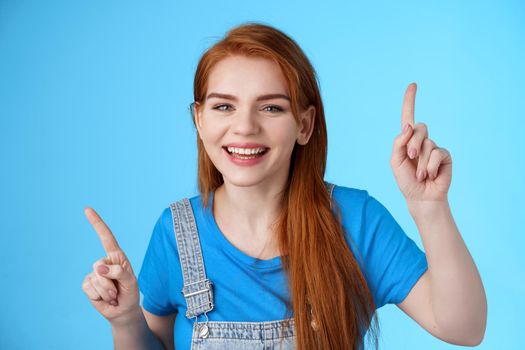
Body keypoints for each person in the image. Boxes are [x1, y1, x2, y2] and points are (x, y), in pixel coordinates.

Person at [81, 22, 487, 350]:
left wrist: (429, 207)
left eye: (271, 107)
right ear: (200, 121)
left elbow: (464, 328)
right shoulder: (176, 233)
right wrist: (126, 320)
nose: (245, 126)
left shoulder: (356, 221)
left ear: (305, 126)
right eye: (224, 106)